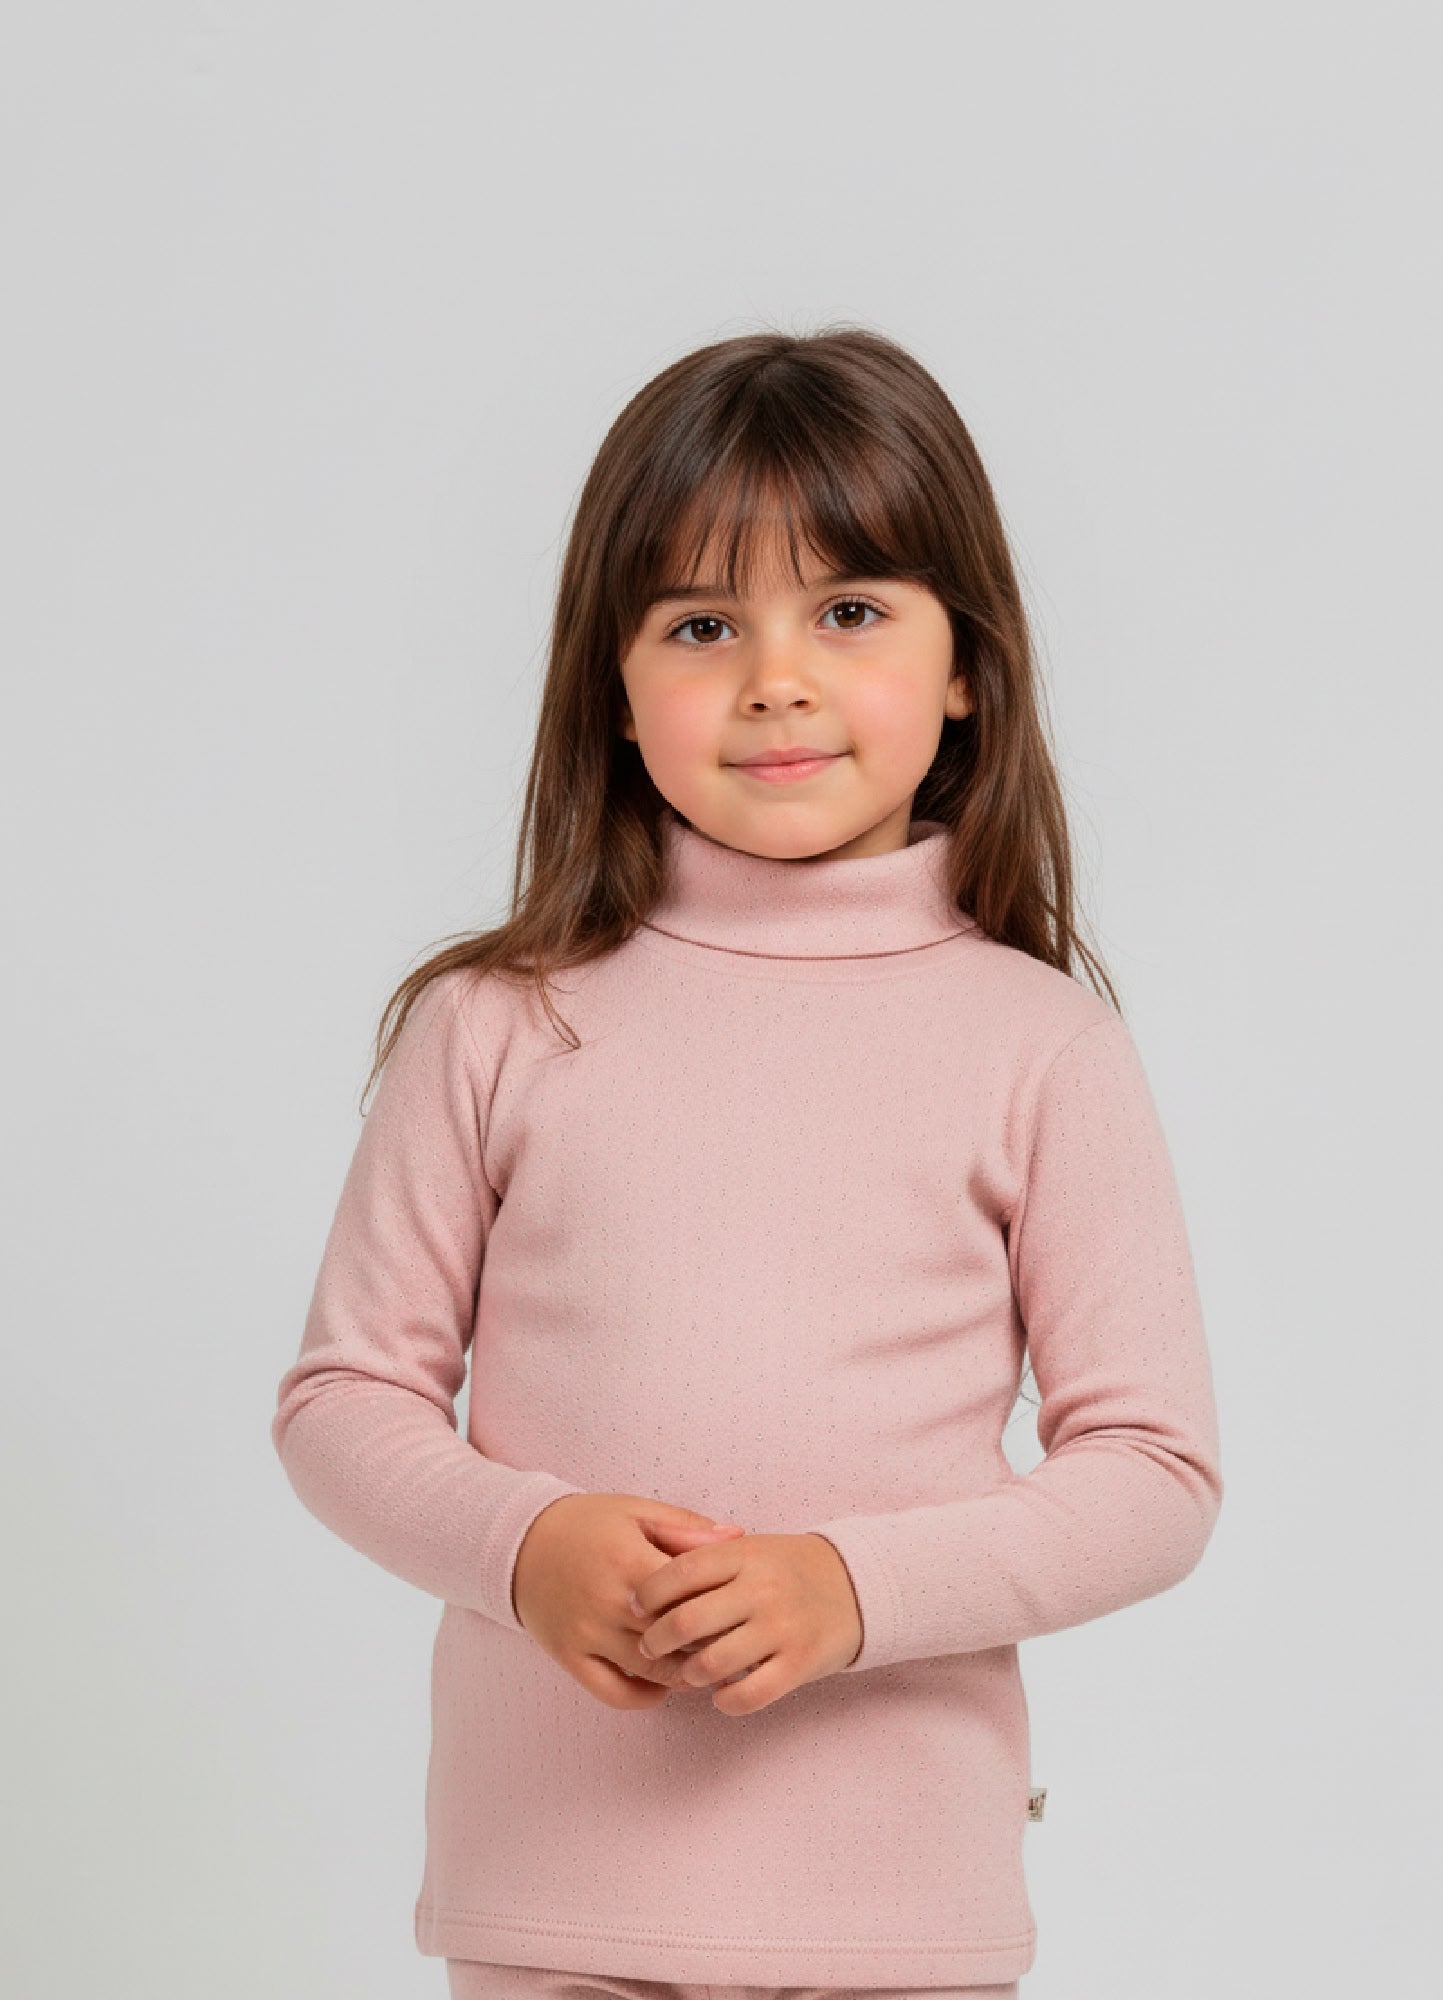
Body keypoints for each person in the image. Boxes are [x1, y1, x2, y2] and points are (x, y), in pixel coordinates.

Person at [270, 324, 1224, 2000]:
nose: (775, 675)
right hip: (557, 1891)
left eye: (847, 611)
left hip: (896, 1910)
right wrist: (528, 1546)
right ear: (615, 694)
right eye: (703, 625)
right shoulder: (501, 1026)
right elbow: (344, 1402)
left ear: (963, 668)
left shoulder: (1041, 1046)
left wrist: (852, 1589)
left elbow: (1151, 1474)